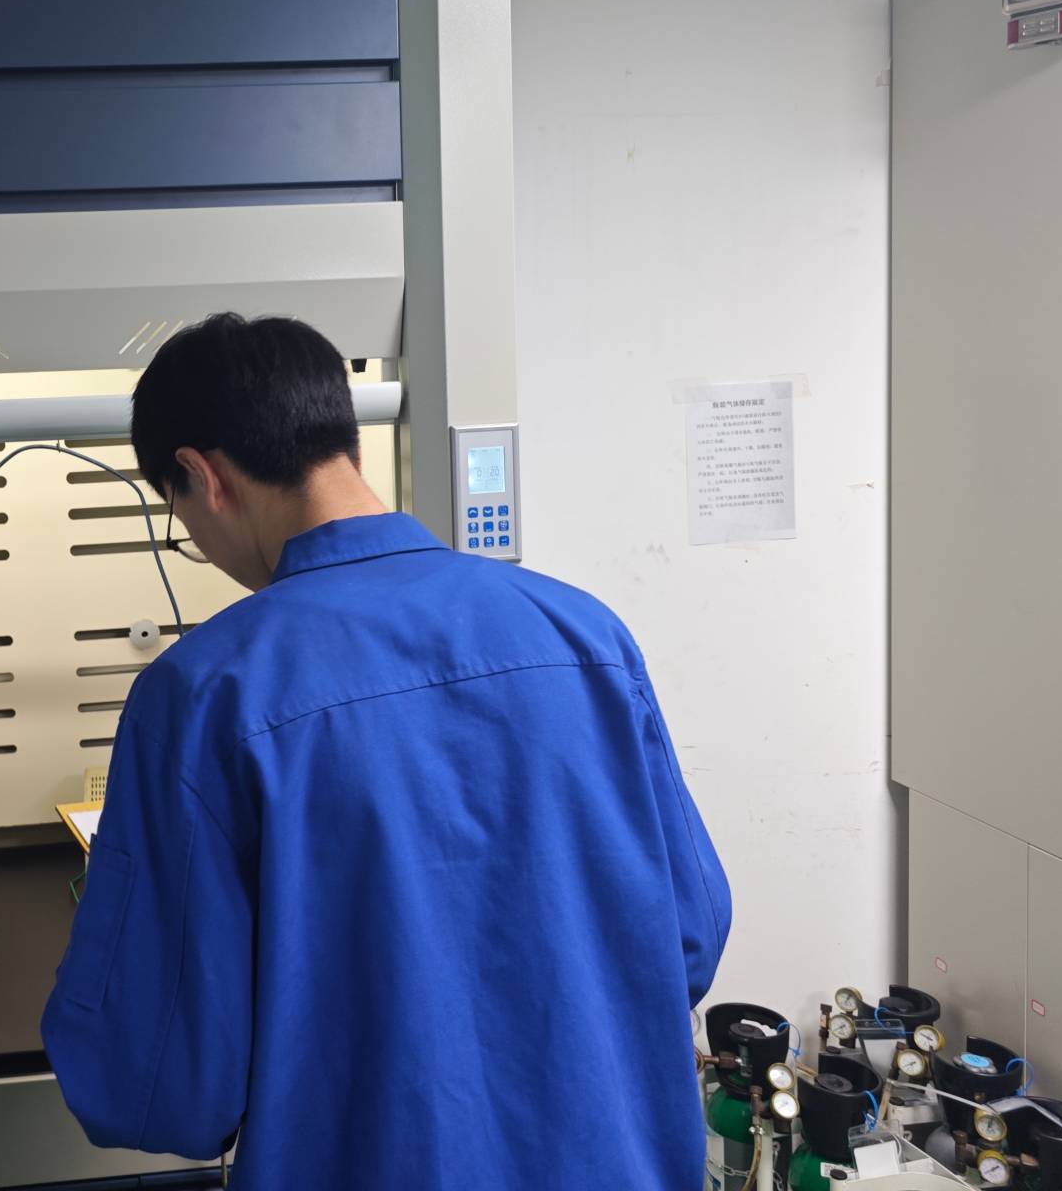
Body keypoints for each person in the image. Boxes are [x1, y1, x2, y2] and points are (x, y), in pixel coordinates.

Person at [42, 314, 730, 1189]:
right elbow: (689, 936)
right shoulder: (585, 635)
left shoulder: (203, 695)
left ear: (202, 476)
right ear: (346, 442)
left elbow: (157, 1084)